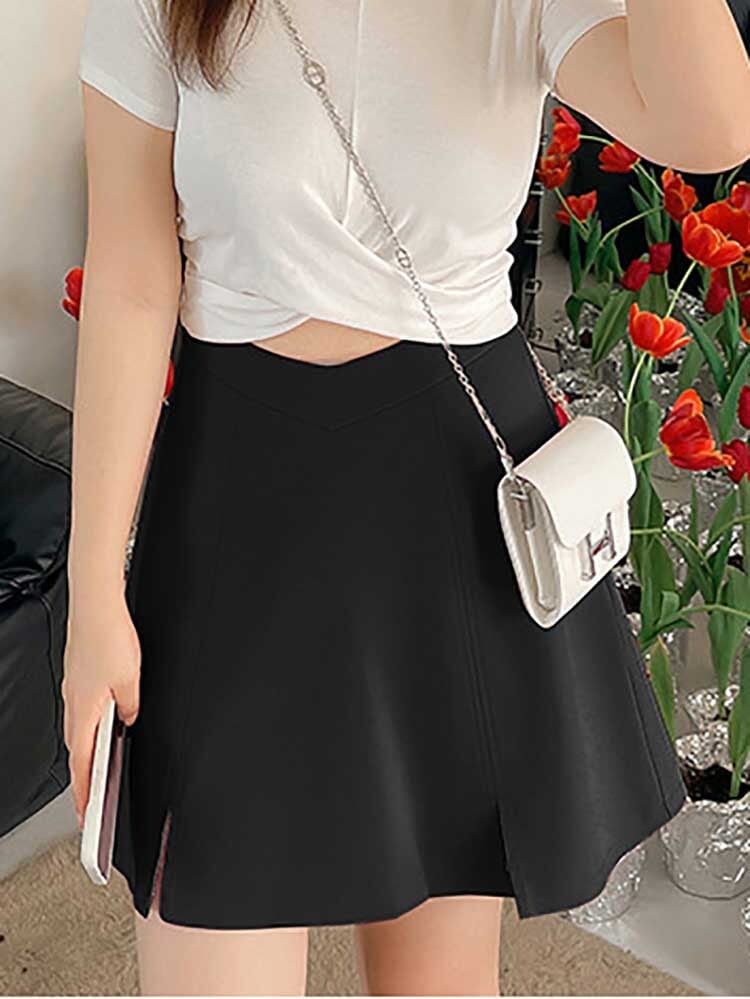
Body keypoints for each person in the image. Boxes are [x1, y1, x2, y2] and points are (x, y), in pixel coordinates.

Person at [64, 0, 749, 994]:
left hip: (458, 505)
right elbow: (131, 277)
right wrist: (92, 588)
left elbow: (714, 126)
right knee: (205, 924)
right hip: (236, 501)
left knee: (438, 978)